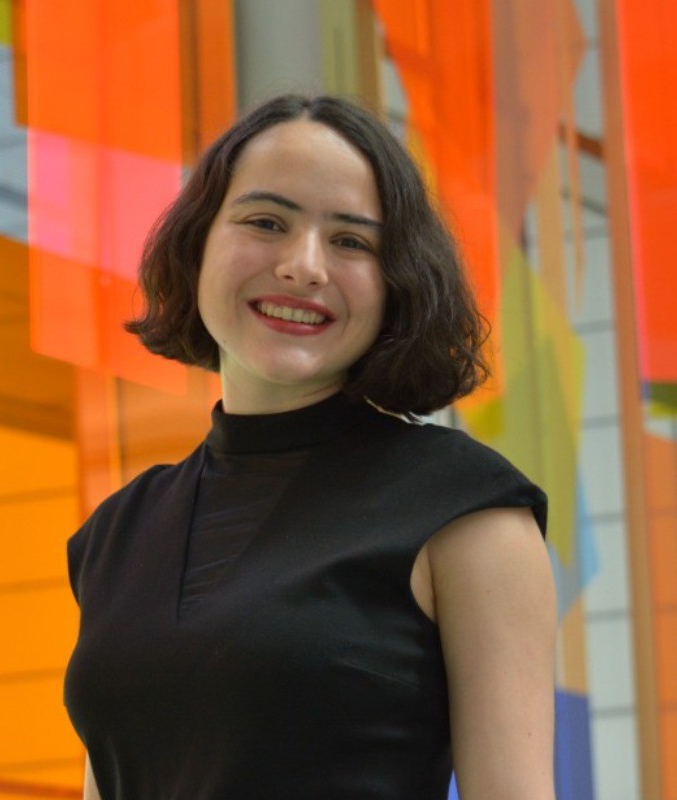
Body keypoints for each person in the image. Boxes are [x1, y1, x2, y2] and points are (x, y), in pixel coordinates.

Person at [64, 94, 556, 800]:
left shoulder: (466, 511)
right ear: (198, 245)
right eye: (267, 222)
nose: (304, 266)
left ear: (395, 283)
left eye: (351, 242)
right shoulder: (119, 532)